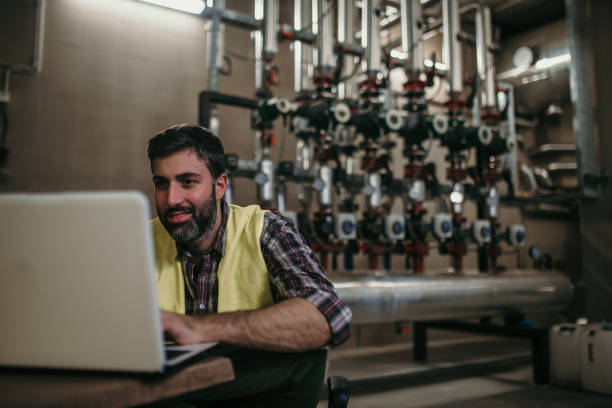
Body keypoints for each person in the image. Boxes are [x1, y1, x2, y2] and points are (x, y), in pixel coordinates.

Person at [147, 123, 352, 407]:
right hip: (170, 384)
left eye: (188, 182)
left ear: (220, 186)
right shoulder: (141, 241)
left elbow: (329, 317)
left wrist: (200, 328)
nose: (172, 199)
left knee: (306, 354)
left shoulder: (266, 230)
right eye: (161, 183)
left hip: (248, 391)